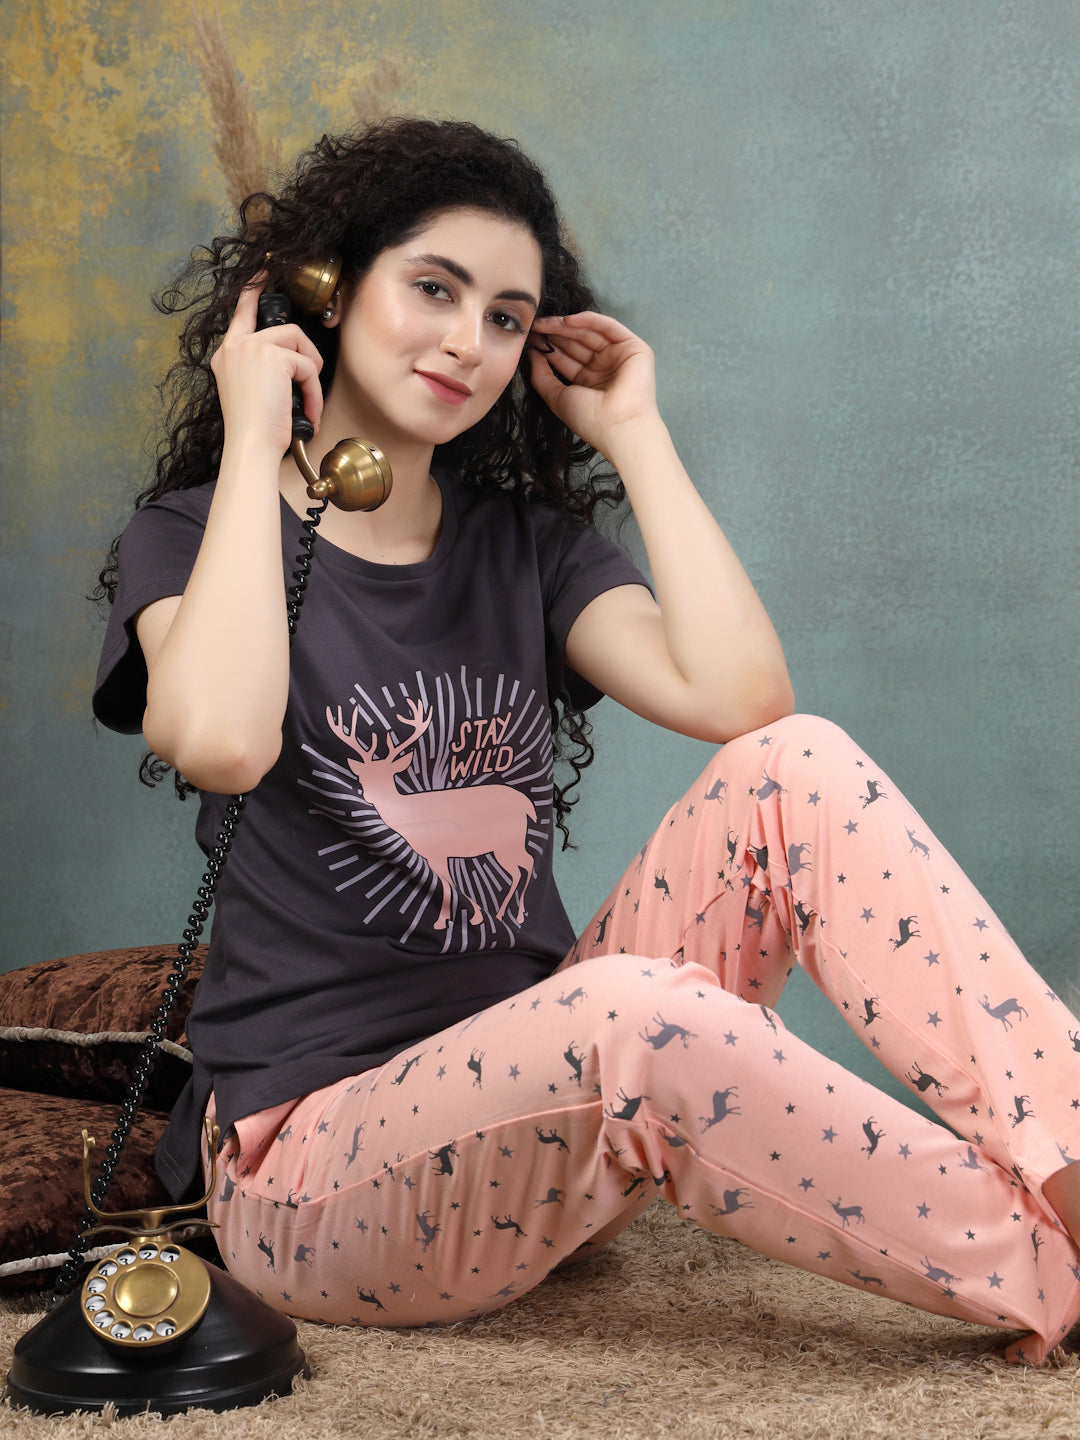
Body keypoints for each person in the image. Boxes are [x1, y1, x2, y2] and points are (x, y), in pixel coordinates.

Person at [93, 116, 1080, 1364]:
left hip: (543, 1109)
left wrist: (634, 432)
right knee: (630, 1013)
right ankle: (1039, 1270)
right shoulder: (192, 536)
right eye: (434, 288)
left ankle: (1075, 1170)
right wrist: (254, 442)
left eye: (507, 316)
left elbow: (745, 702)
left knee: (797, 766)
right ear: (327, 294)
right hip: (316, 1176)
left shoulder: (524, 547)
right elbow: (221, 742)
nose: (470, 340)